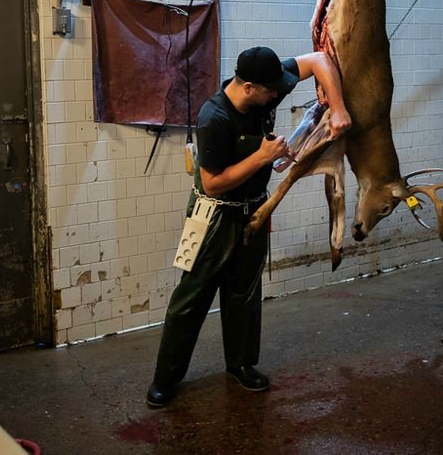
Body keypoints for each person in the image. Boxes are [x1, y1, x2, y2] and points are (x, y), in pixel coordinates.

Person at [146, 46, 351, 407]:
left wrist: (338, 108)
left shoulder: (266, 86)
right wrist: (261, 156)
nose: (277, 96)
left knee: (244, 291)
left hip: (254, 211)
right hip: (214, 216)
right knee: (192, 298)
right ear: (249, 87)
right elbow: (211, 183)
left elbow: (320, 60)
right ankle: (165, 378)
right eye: (271, 92)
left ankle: (240, 364)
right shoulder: (215, 119)